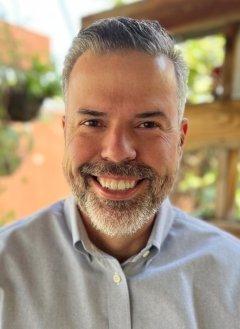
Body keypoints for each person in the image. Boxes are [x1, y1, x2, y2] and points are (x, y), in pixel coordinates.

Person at [0, 17, 240, 329]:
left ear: (180, 140)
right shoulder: (6, 270)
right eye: (92, 122)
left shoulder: (232, 276)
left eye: (148, 124)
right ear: (65, 133)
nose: (117, 151)